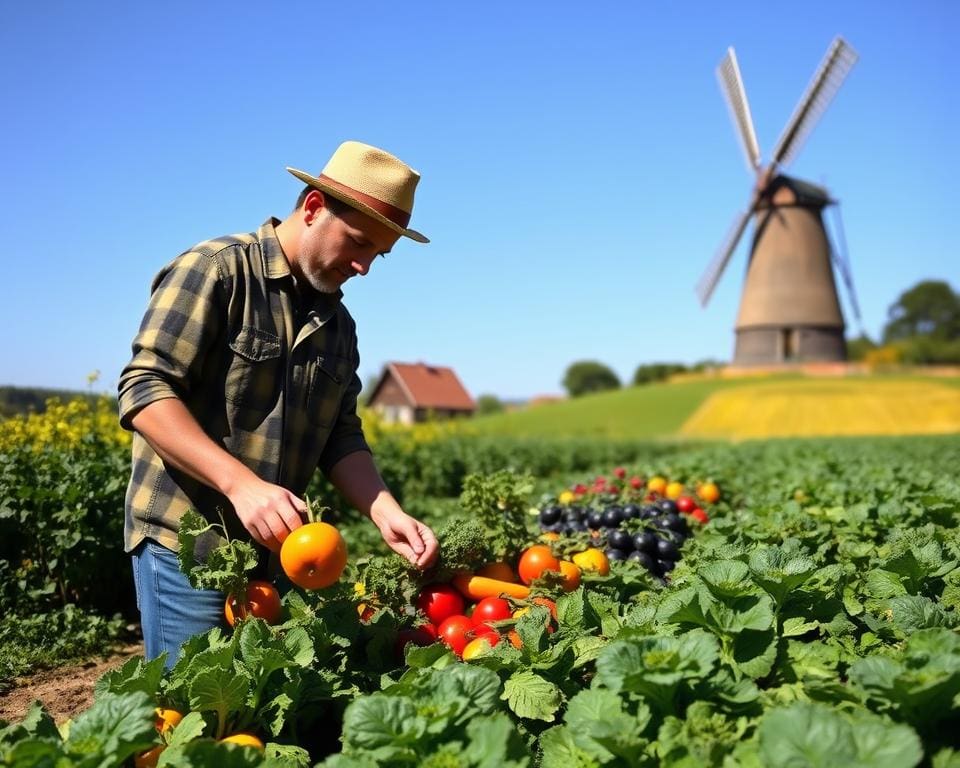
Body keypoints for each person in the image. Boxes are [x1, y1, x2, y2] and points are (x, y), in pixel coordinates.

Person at [118, 140, 439, 666]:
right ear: (313, 208)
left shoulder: (338, 325)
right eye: (357, 244)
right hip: (188, 548)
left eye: (378, 255)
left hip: (280, 555)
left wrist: (386, 511)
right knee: (189, 719)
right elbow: (145, 389)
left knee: (257, 709)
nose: (363, 268)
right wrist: (240, 485)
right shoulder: (217, 271)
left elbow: (341, 435)